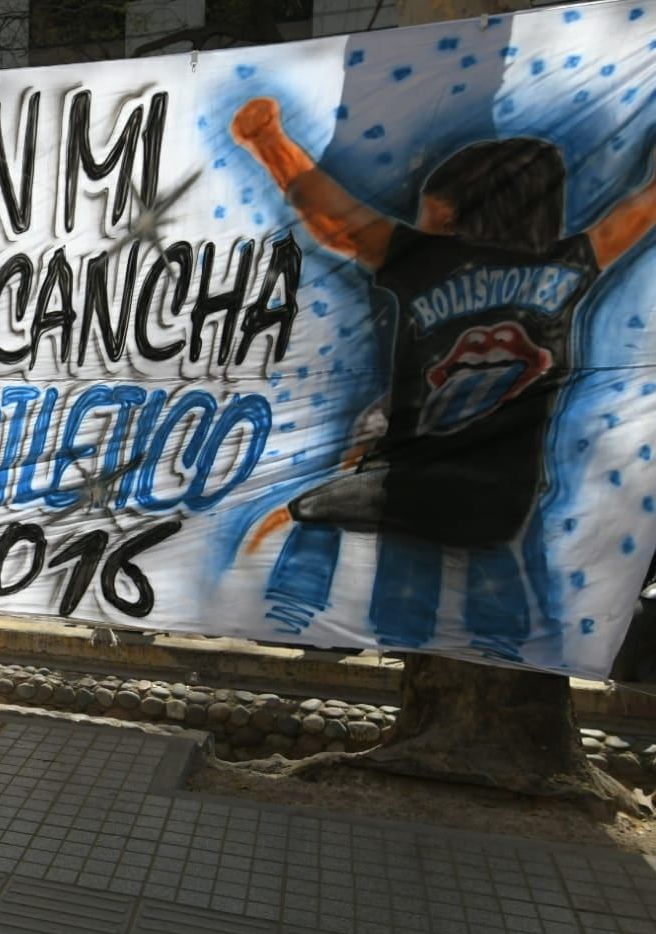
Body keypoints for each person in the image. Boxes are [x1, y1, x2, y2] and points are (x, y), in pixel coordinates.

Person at [231, 96, 656, 656]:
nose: (417, 214)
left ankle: (309, 619)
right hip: (504, 495)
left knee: (395, 600)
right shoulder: (569, 261)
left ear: (452, 212)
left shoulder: (418, 257)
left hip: (413, 489)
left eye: (426, 206)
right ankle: (497, 662)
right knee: (497, 613)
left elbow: (335, 218)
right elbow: (640, 211)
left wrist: (268, 141)